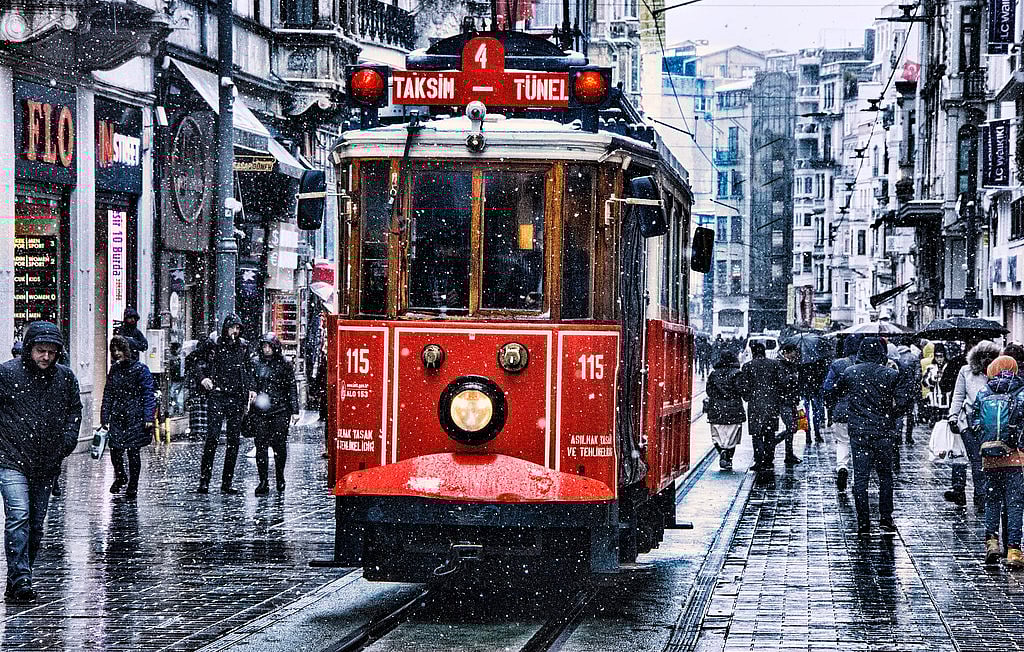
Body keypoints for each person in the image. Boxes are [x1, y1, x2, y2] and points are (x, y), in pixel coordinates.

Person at [0, 321, 82, 603]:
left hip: (46, 461)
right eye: (40, 351)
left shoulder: (65, 378)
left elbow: (75, 411)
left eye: (51, 352)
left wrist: (67, 441)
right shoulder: (8, 374)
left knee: (35, 522)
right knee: (19, 515)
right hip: (11, 457)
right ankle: (21, 577)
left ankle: (20, 576)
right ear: (29, 349)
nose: (45, 357)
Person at [834, 337, 914, 535]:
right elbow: (904, 399)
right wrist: (892, 414)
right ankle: (885, 518)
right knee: (885, 475)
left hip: (859, 431)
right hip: (883, 431)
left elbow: (832, 393)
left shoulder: (850, 373)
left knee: (861, 477)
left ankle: (863, 521)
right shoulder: (890, 374)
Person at [972, 356, 1024, 569]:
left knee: (992, 500)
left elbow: (974, 421)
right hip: (1016, 456)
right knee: (1014, 503)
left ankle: (991, 543)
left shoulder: (984, 392)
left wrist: (985, 440)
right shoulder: (1020, 391)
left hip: (990, 456)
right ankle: (1013, 550)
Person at [198, 314, 255, 495]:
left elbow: (248, 369)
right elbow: (198, 363)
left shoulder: (243, 347)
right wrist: (204, 378)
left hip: (236, 396)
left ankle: (227, 481)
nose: (235, 332)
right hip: (218, 395)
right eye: (233, 328)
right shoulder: (214, 344)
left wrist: (251, 388)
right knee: (212, 437)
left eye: (238, 328)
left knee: (233, 441)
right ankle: (205, 480)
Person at [945, 341, 1001, 510]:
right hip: (968, 423)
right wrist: (953, 416)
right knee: (975, 460)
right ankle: (974, 495)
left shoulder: (999, 374)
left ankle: (982, 496)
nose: (986, 359)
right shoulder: (966, 372)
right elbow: (958, 395)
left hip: (991, 423)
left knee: (986, 461)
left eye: (990, 356)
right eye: (983, 356)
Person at [100, 335, 156, 502]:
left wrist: (148, 417)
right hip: (119, 416)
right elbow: (108, 393)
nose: (117, 353)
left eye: (120, 349)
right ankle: (121, 476)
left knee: (133, 452)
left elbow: (148, 394)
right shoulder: (115, 370)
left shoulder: (141, 370)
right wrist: (105, 416)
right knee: (115, 450)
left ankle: (133, 485)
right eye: (114, 350)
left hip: (135, 417)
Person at [249, 333, 299, 495]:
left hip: (280, 410)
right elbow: (251, 383)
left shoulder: (284, 364)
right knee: (261, 446)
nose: (266, 349)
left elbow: (291, 387)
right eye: (264, 346)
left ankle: (279, 477)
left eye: (269, 346)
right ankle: (263, 480)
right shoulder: (255, 362)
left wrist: (294, 410)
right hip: (260, 411)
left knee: (279, 445)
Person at [740, 340, 787, 477]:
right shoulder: (774, 365)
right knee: (769, 433)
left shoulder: (748, 366)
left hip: (755, 405)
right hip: (772, 404)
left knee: (757, 434)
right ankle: (768, 459)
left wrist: (748, 397)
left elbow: (744, 386)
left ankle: (759, 459)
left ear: (753, 352)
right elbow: (782, 382)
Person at [823, 335, 862, 493]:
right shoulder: (865, 365)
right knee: (859, 445)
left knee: (842, 441)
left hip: (842, 410)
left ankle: (842, 467)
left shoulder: (838, 364)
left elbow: (827, 387)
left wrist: (834, 398)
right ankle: (856, 479)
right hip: (861, 411)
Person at [705, 350, 746, 471]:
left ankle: (721, 451)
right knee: (732, 436)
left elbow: (709, 391)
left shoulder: (714, 374)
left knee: (717, 435)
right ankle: (728, 457)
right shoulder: (737, 373)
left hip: (716, 410)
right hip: (734, 410)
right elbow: (741, 390)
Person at [776, 343, 803, 466]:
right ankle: (773, 443)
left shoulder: (792, 365)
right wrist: (792, 378)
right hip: (784, 401)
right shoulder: (780, 364)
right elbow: (782, 382)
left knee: (794, 426)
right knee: (791, 426)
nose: (795, 355)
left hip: (792, 400)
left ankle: (789, 453)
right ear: (787, 352)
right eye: (794, 353)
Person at [184, 335, 214, 442]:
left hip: (198, 387)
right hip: (199, 387)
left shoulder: (195, 357)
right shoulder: (198, 357)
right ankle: (201, 431)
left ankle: (198, 431)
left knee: (198, 409)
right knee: (202, 409)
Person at [923, 343, 953, 424]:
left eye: (941, 356)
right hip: (934, 401)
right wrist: (933, 379)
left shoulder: (949, 367)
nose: (939, 359)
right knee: (935, 424)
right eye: (937, 356)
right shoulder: (931, 368)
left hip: (946, 399)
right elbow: (924, 382)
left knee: (945, 424)